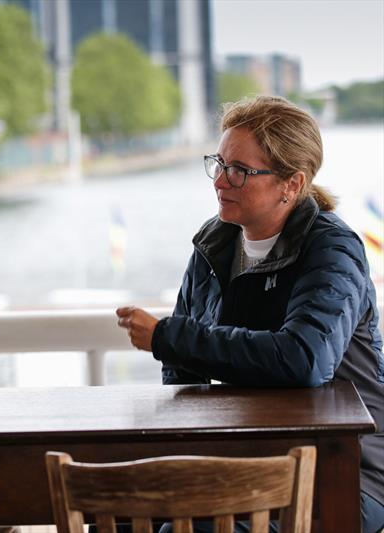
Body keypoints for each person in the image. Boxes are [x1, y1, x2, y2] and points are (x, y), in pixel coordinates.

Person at [116, 96, 383, 533]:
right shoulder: (214, 243)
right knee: (118, 514)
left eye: (240, 170)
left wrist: (168, 336)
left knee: (198, 530)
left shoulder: (333, 250)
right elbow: (183, 373)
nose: (220, 180)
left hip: (343, 470)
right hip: (247, 459)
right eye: (218, 163)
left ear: (291, 184)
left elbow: (304, 360)